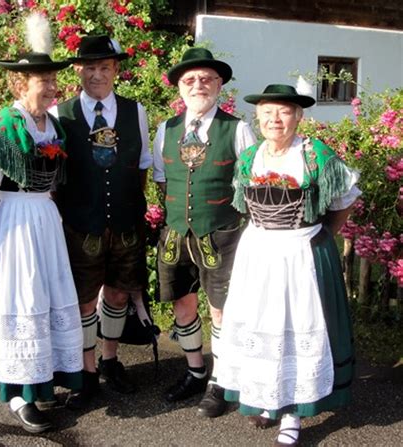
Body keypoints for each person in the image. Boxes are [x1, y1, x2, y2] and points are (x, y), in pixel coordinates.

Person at [217, 84, 360, 446]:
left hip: (301, 254)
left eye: (283, 112)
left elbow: (346, 196)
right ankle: (267, 399)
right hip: (258, 253)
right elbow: (243, 205)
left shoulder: (316, 155)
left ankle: (293, 412)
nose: (274, 119)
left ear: (298, 117)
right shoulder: (250, 157)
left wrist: (324, 231)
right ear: (258, 117)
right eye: (267, 112)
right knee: (260, 323)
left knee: (295, 326)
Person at [0, 13, 83, 434]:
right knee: (20, 300)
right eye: (41, 81)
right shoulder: (3, 126)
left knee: (46, 297)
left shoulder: (52, 125)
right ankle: (18, 393)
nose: (50, 87)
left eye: (52, 80)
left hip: (44, 219)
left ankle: (42, 378)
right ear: (21, 84)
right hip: (13, 220)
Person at [153, 47, 256, 418]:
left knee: (221, 311)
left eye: (206, 79)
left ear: (219, 85)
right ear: (180, 87)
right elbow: (163, 181)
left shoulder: (238, 129)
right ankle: (196, 371)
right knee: (183, 302)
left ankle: (221, 381)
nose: (199, 85)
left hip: (222, 232)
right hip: (178, 233)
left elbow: (248, 185)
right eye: (190, 80)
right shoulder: (166, 129)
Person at [52, 35, 152, 408]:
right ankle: (87, 372)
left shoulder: (134, 110)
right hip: (80, 225)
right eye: (90, 67)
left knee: (118, 294)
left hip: (125, 224)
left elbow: (141, 166)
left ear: (116, 71)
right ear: (79, 70)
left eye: (105, 67)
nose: (97, 75)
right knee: (81, 303)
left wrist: (127, 205)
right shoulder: (61, 115)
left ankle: (110, 360)